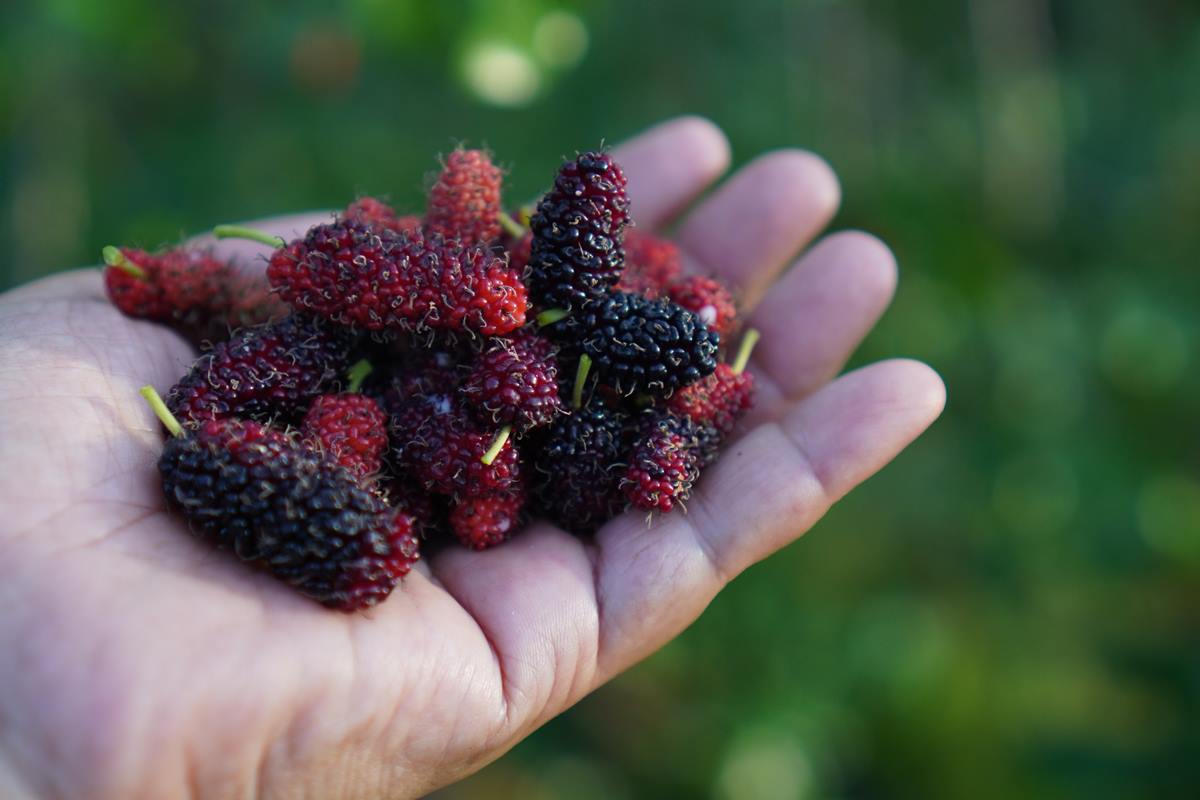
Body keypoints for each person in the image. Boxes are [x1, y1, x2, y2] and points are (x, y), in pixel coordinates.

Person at [0, 117, 944, 799]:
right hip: (429, 383)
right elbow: (370, 401)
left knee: (536, 380)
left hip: (518, 386)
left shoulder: (557, 358)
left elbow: (549, 378)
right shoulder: (375, 362)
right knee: (424, 383)